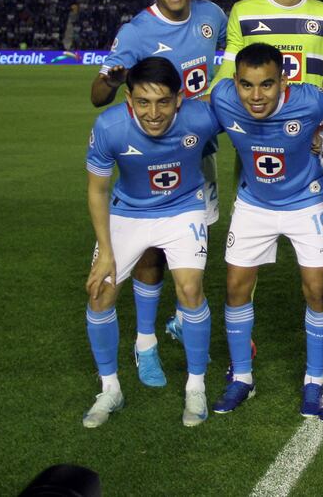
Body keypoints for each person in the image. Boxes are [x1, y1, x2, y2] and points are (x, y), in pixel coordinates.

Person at [206, 44, 323, 417]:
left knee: (316, 291)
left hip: (306, 202)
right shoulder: (223, 98)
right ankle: (242, 378)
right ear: (235, 82)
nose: (256, 95)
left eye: (267, 85)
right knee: (235, 288)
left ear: (284, 80)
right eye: (247, 86)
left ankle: (314, 379)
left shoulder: (310, 100)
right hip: (254, 204)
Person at [89, 0, 227, 387]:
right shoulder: (136, 32)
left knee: (191, 249)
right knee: (150, 253)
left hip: (197, 149)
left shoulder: (213, 17)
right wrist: (109, 80)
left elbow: (231, 50)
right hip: (150, 151)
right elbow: (97, 96)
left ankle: (184, 318)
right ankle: (145, 342)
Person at [83, 57, 221, 428]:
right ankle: (110, 389)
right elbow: (97, 190)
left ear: (179, 99)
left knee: (190, 289)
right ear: (129, 99)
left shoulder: (202, 117)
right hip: (128, 212)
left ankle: (196, 386)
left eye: (162, 102)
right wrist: (105, 253)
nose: (153, 113)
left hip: (183, 209)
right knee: (100, 291)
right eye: (143, 102)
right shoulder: (110, 126)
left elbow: (252, 122)